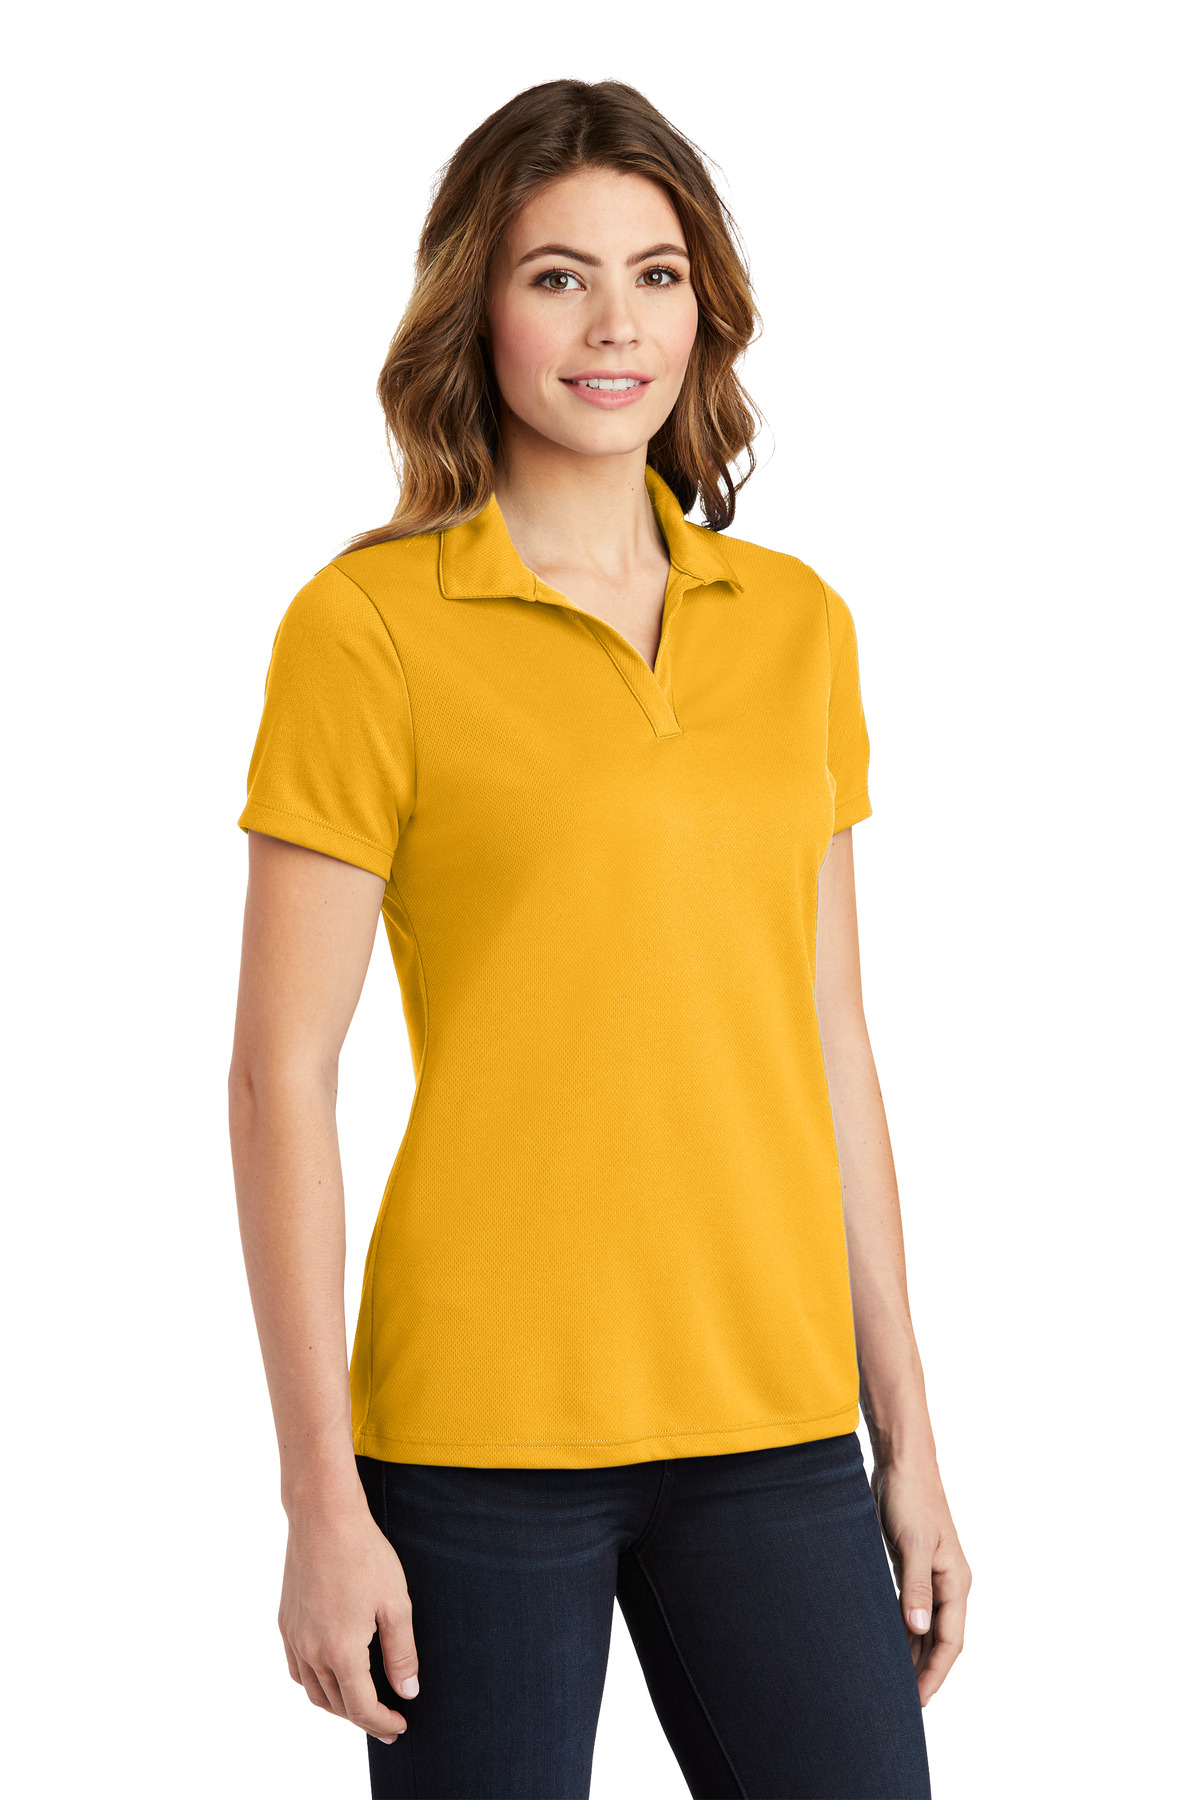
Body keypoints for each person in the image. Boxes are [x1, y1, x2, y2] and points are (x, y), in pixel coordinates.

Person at [228, 77, 970, 1800]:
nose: (613, 325)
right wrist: (319, 1498)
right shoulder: (367, 629)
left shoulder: (795, 626)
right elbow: (281, 1076)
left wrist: (911, 1434)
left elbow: (831, 1042)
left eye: (656, 274)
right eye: (557, 276)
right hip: (476, 1435)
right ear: (477, 308)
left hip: (773, 1415)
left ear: (704, 307)